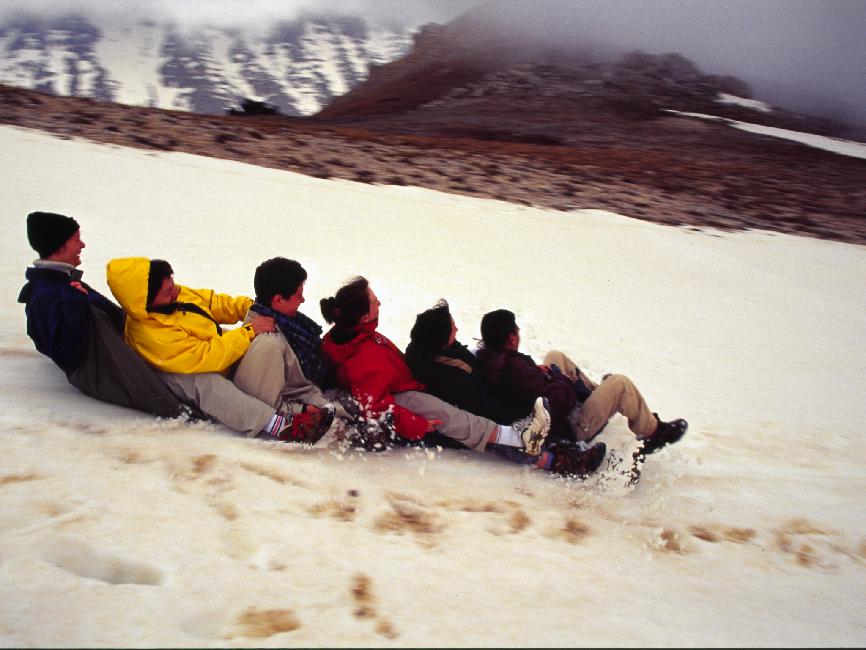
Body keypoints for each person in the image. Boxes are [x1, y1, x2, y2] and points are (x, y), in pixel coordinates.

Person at [318, 276, 571, 471]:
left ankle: (526, 443)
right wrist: (415, 424)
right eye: (374, 300)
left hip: (405, 387)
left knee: (453, 415)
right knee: (456, 419)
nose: (379, 302)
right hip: (402, 401)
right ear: (363, 316)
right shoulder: (364, 357)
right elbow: (374, 406)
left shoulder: (352, 334)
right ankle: (520, 439)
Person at [105, 257, 333, 443]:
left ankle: (307, 396)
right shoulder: (151, 335)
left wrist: (252, 309)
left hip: (214, 353)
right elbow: (206, 357)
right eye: (167, 292)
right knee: (209, 384)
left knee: (269, 338)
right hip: (189, 374)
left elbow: (212, 302)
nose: (175, 292)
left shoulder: (171, 297)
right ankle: (275, 423)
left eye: (172, 284)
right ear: (145, 302)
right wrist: (249, 332)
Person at [406, 299, 607, 477]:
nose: (456, 329)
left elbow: (469, 359)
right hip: (472, 419)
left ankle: (586, 396)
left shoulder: (431, 347)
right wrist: (525, 411)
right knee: (508, 435)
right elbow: (485, 407)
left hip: (485, 397)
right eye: (452, 328)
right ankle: (562, 462)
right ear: (441, 341)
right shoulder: (451, 379)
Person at [17, 211, 190, 417]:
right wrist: (75, 305)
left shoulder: (63, 281)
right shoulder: (47, 295)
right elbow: (68, 357)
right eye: (76, 240)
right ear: (59, 245)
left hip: (133, 358)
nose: (82, 245)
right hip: (112, 375)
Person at [476, 309, 688, 459]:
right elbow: (555, 404)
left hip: (539, 415)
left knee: (554, 356)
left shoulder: (492, 360)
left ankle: (599, 394)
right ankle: (652, 432)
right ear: (512, 339)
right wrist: (558, 378)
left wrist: (540, 373)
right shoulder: (515, 370)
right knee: (620, 384)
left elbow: (528, 386)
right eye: (517, 331)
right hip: (568, 427)